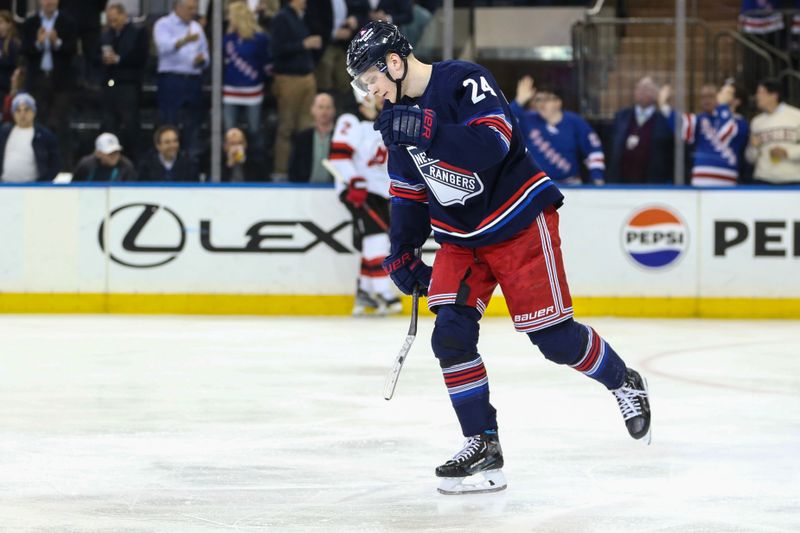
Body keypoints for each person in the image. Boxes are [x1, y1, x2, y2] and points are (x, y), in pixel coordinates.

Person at [346, 21, 652, 495]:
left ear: (394, 61)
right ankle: (482, 444)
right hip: (461, 239)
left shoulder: (463, 80)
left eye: (372, 79)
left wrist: (426, 129)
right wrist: (403, 251)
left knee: (554, 340)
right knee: (450, 336)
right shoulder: (397, 119)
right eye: (364, 86)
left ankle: (622, 379)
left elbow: (492, 145)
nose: (372, 92)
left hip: (519, 222)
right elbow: (408, 193)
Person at [329, 90, 401, 316]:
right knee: (377, 237)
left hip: (380, 192)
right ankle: (382, 291)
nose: (381, 98)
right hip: (358, 191)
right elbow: (339, 157)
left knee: (375, 239)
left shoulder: (384, 123)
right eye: (375, 94)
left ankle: (365, 290)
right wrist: (355, 182)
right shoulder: (350, 121)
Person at [511, 76, 605, 185]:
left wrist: (597, 178)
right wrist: (518, 101)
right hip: (537, 185)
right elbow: (506, 122)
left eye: (546, 99)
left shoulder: (575, 121)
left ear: (558, 102)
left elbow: (593, 150)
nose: (541, 104)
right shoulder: (527, 119)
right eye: (538, 100)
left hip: (572, 186)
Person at [21, 0, 78, 169]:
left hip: (61, 81)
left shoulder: (68, 22)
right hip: (37, 80)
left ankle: (64, 167)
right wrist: (38, 43)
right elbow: (24, 50)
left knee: (61, 123)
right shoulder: (30, 23)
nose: (49, 2)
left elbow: (73, 50)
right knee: (38, 123)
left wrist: (56, 42)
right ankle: (37, 165)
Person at [269, 0, 321, 181]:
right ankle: (280, 172)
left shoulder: (301, 17)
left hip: (307, 76)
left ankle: (303, 171)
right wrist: (303, 44)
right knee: (287, 127)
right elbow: (276, 50)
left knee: (306, 129)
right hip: (289, 78)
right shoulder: (282, 18)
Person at [659, 82, 749, 186]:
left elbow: (723, 133)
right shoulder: (701, 119)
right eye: (721, 92)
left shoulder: (741, 123)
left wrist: (723, 106)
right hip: (700, 178)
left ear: (737, 101)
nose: (721, 96)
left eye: (727, 93)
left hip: (726, 180)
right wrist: (664, 105)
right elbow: (681, 124)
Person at [153, 0, 209, 162]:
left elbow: (205, 53)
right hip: (172, 79)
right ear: (179, 7)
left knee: (194, 122)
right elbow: (163, 48)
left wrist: (202, 60)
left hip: (193, 79)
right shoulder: (163, 24)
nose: (193, 12)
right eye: (190, 8)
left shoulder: (196, 27)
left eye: (195, 9)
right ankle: (168, 161)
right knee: (170, 120)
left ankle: (190, 161)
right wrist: (185, 40)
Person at [100, 3, 149, 162]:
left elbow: (141, 57)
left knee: (131, 126)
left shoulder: (138, 32)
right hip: (110, 85)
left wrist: (119, 59)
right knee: (110, 125)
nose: (112, 23)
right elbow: (95, 54)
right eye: (110, 20)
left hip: (128, 85)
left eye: (115, 19)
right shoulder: (106, 34)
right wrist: (104, 60)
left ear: (123, 15)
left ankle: (136, 164)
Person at [223, 1, 271, 151]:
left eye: (230, 16)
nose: (228, 19)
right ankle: (232, 167)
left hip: (253, 90)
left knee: (254, 130)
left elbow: (266, 62)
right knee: (230, 133)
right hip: (230, 89)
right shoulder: (228, 39)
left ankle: (254, 163)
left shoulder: (260, 39)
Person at [608, 76, 674, 184]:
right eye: (639, 88)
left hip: (652, 183)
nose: (642, 91)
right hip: (621, 183)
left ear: (656, 94)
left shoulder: (663, 120)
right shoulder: (621, 117)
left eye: (647, 88)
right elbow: (611, 148)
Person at [745, 78, 800, 185]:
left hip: (792, 180)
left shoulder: (796, 116)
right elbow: (750, 158)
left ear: (774, 95)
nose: (757, 97)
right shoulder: (756, 122)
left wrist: (787, 153)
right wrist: (754, 147)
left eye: (761, 92)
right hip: (763, 180)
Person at [0, 92, 59, 182]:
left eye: (26, 110)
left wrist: (44, 182)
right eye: (18, 110)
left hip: (33, 189)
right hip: (5, 186)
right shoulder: (4, 133)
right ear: (13, 113)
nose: (22, 114)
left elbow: (55, 162)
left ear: (33, 112)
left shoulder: (44, 135)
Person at [288, 92, 336, 182]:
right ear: (313, 110)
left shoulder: (340, 138)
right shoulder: (301, 138)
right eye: (320, 107)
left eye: (328, 107)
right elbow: (293, 169)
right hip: (305, 190)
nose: (324, 112)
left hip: (334, 190)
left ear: (334, 110)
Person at [71, 132, 137, 182]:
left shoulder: (126, 166)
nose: (114, 156)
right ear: (98, 153)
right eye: (109, 153)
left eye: (116, 152)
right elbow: (74, 188)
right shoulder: (86, 165)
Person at [0, 10, 21, 104]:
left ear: (9, 25)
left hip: (5, 87)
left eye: (1, 22)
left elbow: (14, 64)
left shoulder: (13, 43)